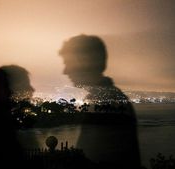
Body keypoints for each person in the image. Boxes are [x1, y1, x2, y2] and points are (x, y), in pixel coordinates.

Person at [59, 35, 141, 169]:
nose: (65, 71)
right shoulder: (105, 98)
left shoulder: (105, 103)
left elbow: (95, 160)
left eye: (69, 63)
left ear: (86, 62)